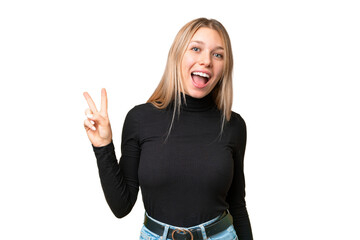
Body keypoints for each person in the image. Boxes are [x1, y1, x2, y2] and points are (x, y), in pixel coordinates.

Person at [83, 18, 253, 240]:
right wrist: (103, 147)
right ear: (177, 56)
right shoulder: (140, 119)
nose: (206, 61)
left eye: (217, 54)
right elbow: (121, 206)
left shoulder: (233, 125)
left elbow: (238, 206)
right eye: (196, 49)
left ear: (224, 67)